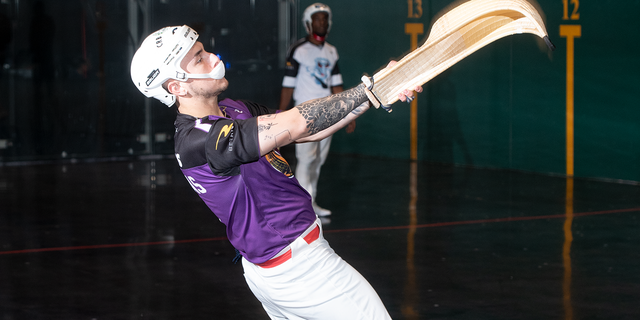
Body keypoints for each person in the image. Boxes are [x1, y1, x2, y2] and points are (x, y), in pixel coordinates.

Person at [130, 25, 420, 320]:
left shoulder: (233, 109)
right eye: (199, 58)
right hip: (302, 270)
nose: (213, 57)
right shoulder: (201, 139)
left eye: (204, 50)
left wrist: (373, 97)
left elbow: (303, 130)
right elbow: (298, 123)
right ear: (176, 87)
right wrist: (370, 87)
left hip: (275, 268)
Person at [279, 3, 351, 217]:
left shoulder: (331, 51)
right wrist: (280, 114)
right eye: (318, 19)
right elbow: (287, 85)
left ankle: (311, 202)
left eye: (325, 19)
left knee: (318, 160)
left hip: (328, 113)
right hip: (304, 114)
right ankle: (301, 207)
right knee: (306, 158)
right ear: (308, 23)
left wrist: (348, 111)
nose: (322, 23)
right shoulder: (298, 50)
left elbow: (336, 84)